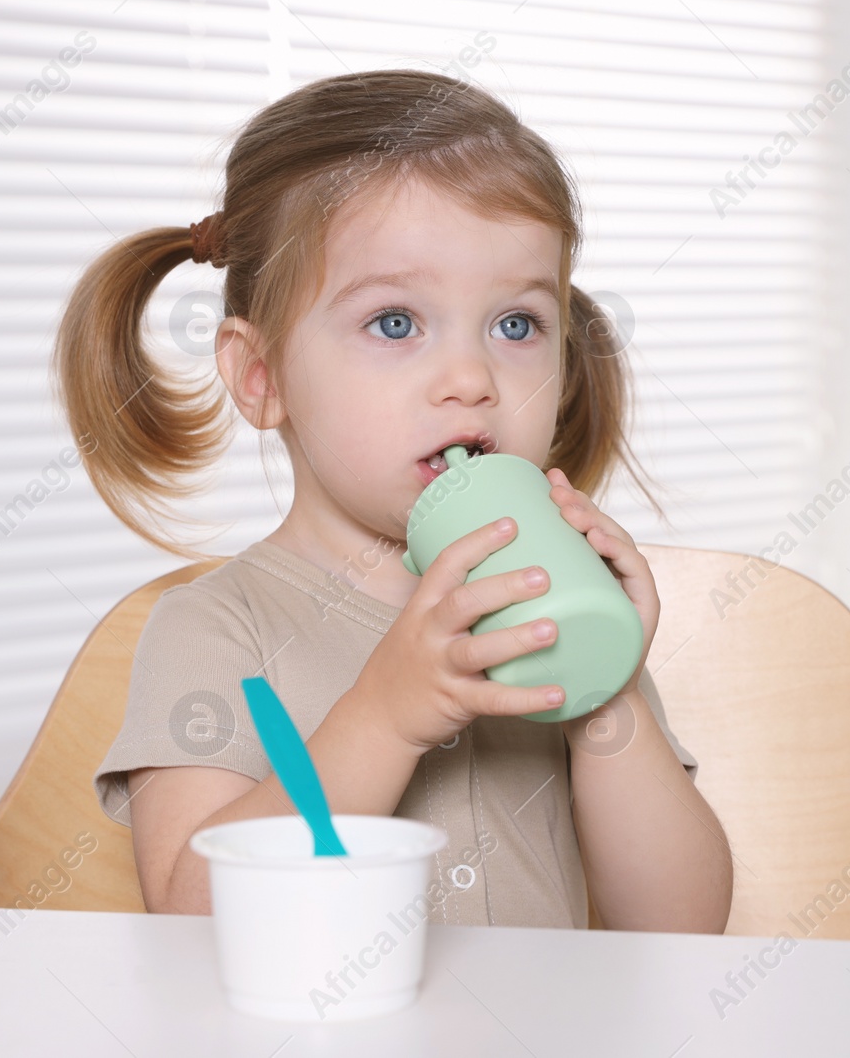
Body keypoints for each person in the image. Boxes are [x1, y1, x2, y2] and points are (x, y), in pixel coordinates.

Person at [57, 68, 733, 932]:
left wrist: (604, 691)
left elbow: (680, 929)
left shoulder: (549, 604)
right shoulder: (221, 630)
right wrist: (386, 716)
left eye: (516, 324)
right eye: (395, 322)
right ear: (262, 377)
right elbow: (195, 914)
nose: (470, 379)